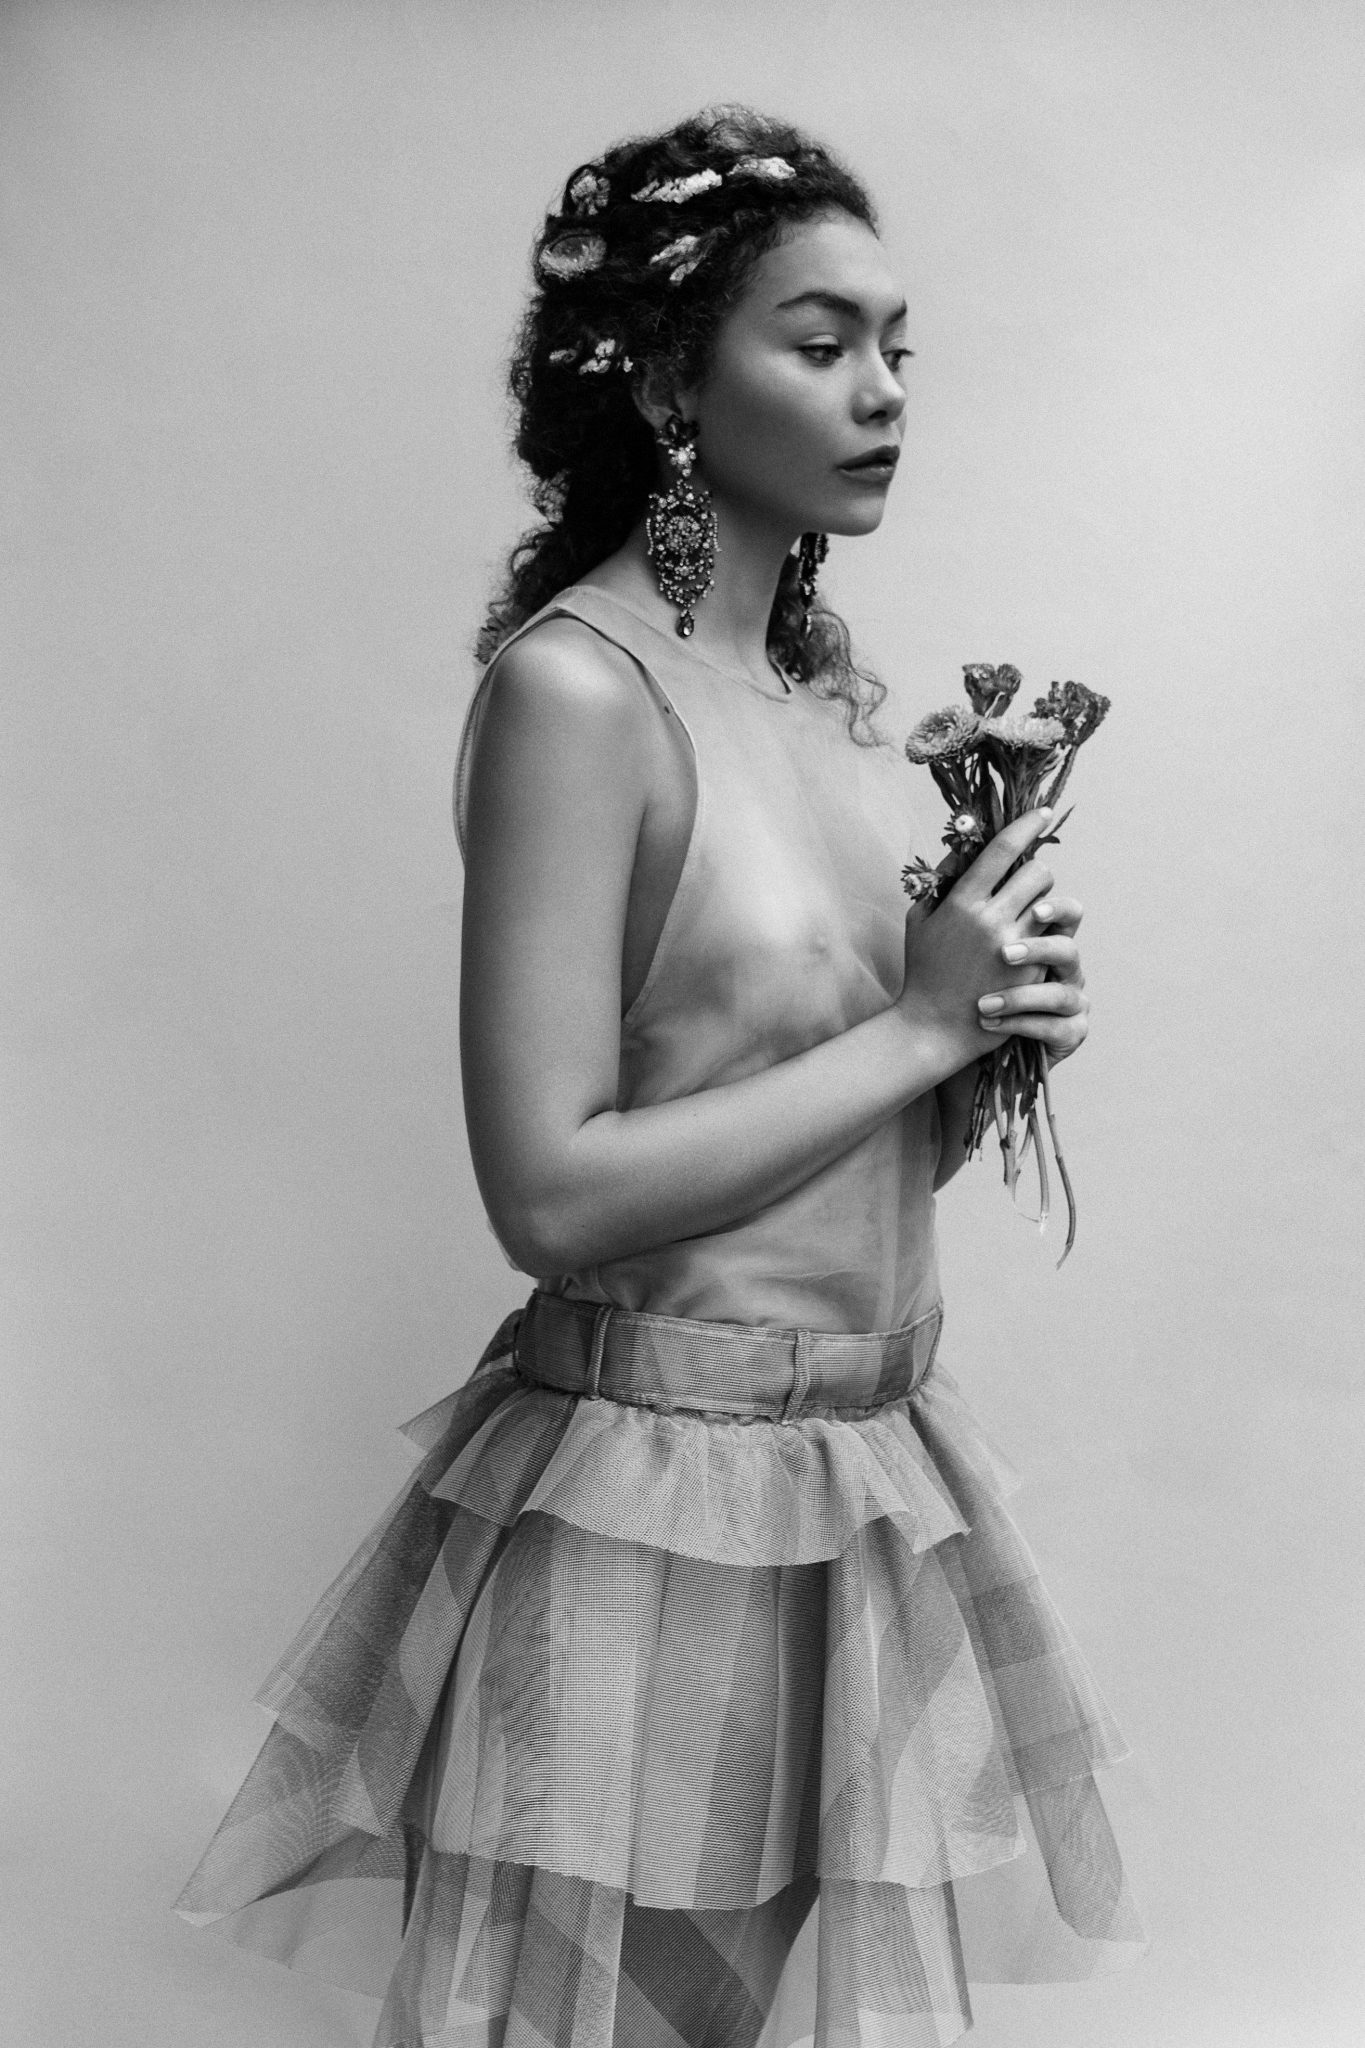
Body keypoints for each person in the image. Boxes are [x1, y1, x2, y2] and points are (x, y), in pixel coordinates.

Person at [177, 106, 1144, 2048]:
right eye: (821, 340)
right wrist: (917, 1027)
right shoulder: (577, 691)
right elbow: (548, 1191)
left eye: (897, 346)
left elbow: (822, 1166)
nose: (882, 389)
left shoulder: (832, 709)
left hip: (861, 1483)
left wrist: (976, 1053)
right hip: (655, 1505)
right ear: (665, 384)